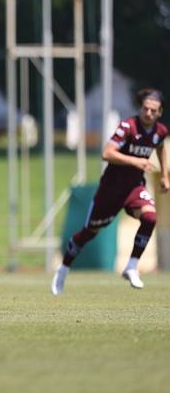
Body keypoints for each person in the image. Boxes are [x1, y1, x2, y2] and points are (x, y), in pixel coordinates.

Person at [51, 88, 168, 295]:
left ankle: (131, 267)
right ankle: (64, 267)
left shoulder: (160, 131)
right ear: (140, 108)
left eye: (153, 111)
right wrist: (136, 161)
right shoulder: (128, 127)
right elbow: (107, 153)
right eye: (145, 109)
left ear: (159, 113)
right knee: (88, 233)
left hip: (134, 189)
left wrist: (165, 175)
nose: (148, 113)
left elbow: (161, 148)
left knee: (150, 217)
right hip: (110, 191)